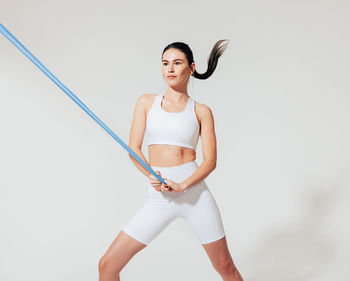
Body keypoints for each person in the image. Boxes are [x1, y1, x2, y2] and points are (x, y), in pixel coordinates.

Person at [98, 40, 244, 281]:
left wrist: (183, 185)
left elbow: (210, 162)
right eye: (166, 64)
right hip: (159, 197)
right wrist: (151, 176)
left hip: (194, 196)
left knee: (225, 267)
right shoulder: (146, 102)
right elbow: (133, 149)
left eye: (177, 63)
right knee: (107, 265)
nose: (171, 69)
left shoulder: (201, 111)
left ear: (192, 67)